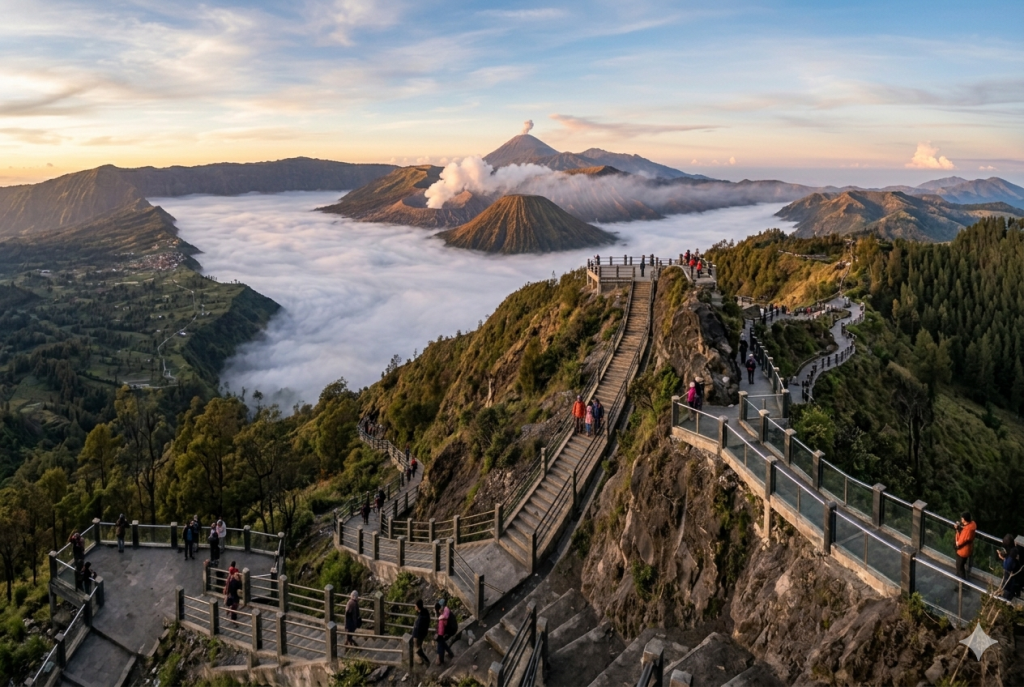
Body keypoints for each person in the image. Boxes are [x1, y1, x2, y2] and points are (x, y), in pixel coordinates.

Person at [998, 534, 1022, 600]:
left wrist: (1003, 558)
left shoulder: (1012, 554)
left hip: (1010, 578)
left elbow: (1007, 566)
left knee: (1007, 593)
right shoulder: (1015, 549)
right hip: (1015, 576)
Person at [954, 512, 977, 580]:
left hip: (962, 551)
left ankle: (962, 583)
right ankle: (960, 581)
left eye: (962, 518)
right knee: (962, 565)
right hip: (968, 549)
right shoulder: (972, 525)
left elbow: (959, 542)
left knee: (959, 567)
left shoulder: (967, 530)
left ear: (964, 519)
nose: (961, 519)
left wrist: (957, 530)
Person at [411, 599, 431, 665]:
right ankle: (424, 660)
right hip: (423, 634)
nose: (414, 607)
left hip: (418, 636)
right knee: (418, 648)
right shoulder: (425, 612)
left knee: (417, 649)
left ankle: (423, 661)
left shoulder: (421, 618)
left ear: (418, 607)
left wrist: (414, 636)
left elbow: (418, 628)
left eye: (415, 606)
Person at [435, 599, 454, 665]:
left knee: (440, 644)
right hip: (446, 630)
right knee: (442, 642)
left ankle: (440, 659)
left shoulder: (442, 617)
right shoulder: (445, 612)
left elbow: (441, 628)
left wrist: (440, 634)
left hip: (445, 631)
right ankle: (450, 653)